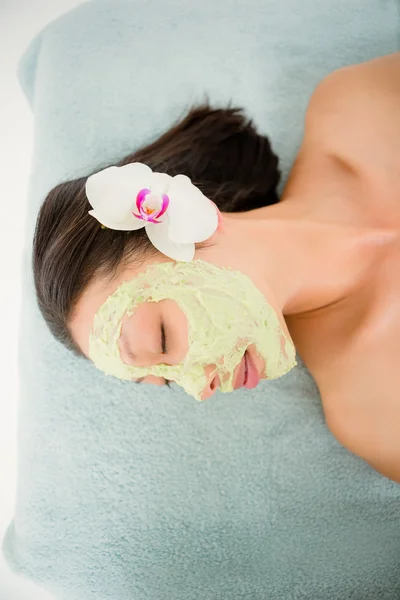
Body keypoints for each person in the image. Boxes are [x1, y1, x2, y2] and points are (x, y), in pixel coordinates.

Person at [33, 52, 400, 483]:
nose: (200, 388)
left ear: (183, 217)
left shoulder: (358, 106)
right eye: (167, 380)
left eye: (163, 338)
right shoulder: (374, 414)